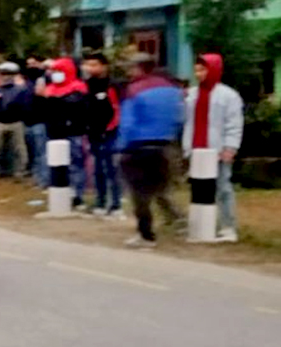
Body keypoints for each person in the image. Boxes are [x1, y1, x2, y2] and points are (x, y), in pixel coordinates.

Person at [118, 53, 185, 248]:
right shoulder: (171, 89)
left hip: (138, 146)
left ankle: (146, 234)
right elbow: (180, 118)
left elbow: (128, 123)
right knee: (162, 187)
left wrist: (122, 147)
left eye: (130, 67)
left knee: (139, 193)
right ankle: (178, 219)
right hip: (165, 144)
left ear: (139, 68)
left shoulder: (134, 90)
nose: (129, 71)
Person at [182, 54, 244, 242]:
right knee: (198, 189)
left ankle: (228, 226)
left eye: (203, 70)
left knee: (223, 187)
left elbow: (234, 123)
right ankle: (201, 226)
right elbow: (186, 121)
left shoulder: (228, 95)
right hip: (196, 149)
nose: (198, 74)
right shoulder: (191, 95)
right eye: (197, 70)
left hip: (217, 150)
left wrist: (230, 147)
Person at [82, 52, 122, 217]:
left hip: (110, 133)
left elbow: (117, 110)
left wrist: (109, 129)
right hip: (93, 133)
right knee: (98, 169)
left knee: (111, 169)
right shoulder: (87, 85)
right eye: (88, 65)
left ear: (104, 66)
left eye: (94, 65)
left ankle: (116, 204)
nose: (91, 68)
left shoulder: (112, 85)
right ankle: (100, 201)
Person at [45, 58, 88, 208]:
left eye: (59, 71)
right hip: (54, 133)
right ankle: (61, 193)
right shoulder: (49, 89)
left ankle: (78, 195)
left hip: (73, 131)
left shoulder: (78, 88)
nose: (56, 74)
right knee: (57, 165)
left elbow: (75, 106)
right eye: (54, 71)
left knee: (75, 164)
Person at [0, 62, 30, 177]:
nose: (6, 77)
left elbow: (25, 104)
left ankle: (20, 170)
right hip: (0, 122)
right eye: (4, 74)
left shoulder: (20, 89)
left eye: (9, 74)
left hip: (16, 122)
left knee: (19, 148)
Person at [23, 57, 49, 188]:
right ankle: (37, 178)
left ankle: (44, 180)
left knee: (42, 153)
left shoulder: (45, 79)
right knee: (33, 154)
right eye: (29, 64)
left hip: (40, 122)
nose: (31, 66)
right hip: (28, 122)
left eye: (34, 64)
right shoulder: (27, 82)